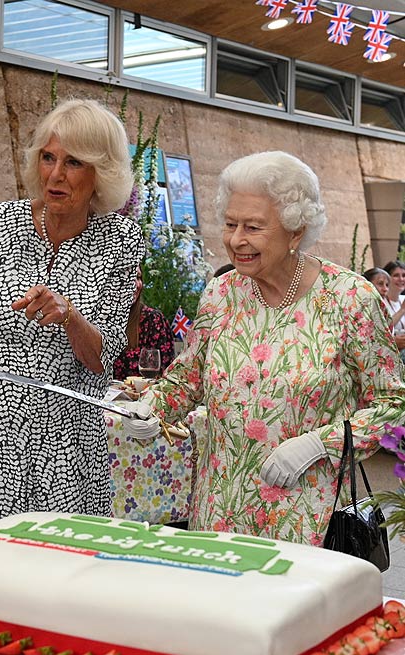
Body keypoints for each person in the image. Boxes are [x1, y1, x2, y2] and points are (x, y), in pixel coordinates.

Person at [129, 151, 405, 546]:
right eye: (229, 224)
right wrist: (153, 407)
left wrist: (318, 443)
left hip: (308, 521)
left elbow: (391, 404)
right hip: (219, 513)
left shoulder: (349, 298)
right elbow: (187, 380)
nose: (236, 239)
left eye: (253, 227)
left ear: (296, 230)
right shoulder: (220, 294)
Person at [0, 98, 144, 537]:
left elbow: (104, 359)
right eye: (48, 158)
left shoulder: (122, 240)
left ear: (102, 173)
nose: (55, 175)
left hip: (66, 440)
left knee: (53, 570)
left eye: (73, 162)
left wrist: (71, 316)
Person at [113, 266, 174, 380]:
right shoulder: (98, 319)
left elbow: (165, 371)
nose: (136, 285)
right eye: (130, 278)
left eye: (138, 277)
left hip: (142, 395)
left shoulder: (152, 320)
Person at [383, 260, 405, 361]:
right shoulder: (381, 301)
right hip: (389, 354)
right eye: (396, 275)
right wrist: (402, 310)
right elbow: (384, 326)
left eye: (404, 275)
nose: (401, 279)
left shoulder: (402, 298)